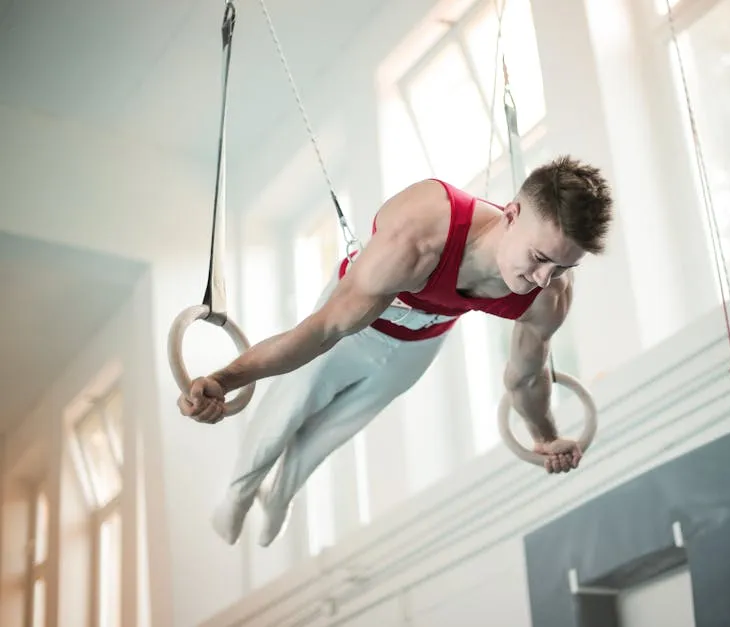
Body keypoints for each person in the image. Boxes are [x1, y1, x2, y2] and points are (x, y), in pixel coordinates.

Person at [177, 155, 613, 547]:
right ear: (512, 214)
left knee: (330, 433)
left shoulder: (550, 293)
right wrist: (224, 380)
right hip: (355, 327)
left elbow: (527, 378)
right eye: (539, 257)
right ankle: (239, 492)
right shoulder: (421, 233)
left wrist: (544, 436)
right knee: (289, 410)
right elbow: (322, 330)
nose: (543, 277)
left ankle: (281, 494)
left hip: (420, 343)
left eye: (563, 266)